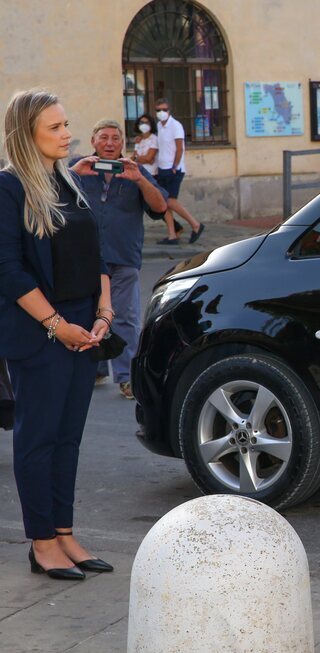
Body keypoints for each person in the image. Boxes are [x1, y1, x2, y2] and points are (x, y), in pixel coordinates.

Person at [0, 89, 115, 580]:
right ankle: (41, 542)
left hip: (84, 326)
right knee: (38, 439)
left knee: (68, 439)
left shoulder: (67, 181)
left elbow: (97, 253)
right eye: (56, 127)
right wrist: (56, 325)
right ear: (27, 134)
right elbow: (7, 269)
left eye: (66, 124)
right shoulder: (8, 187)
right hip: (40, 330)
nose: (68, 134)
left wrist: (104, 315)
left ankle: (65, 535)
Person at [70, 119, 168, 399]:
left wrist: (138, 178)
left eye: (115, 138)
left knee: (124, 317)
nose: (110, 143)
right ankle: (96, 368)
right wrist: (74, 173)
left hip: (123, 257)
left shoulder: (134, 170)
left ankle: (126, 377)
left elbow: (160, 205)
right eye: (104, 138)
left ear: (122, 143)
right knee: (88, 315)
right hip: (85, 260)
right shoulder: (78, 168)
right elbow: (51, 197)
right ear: (93, 141)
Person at [154, 97, 203, 245]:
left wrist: (175, 166)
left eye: (164, 109)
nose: (161, 112)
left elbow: (180, 147)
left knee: (170, 201)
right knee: (163, 203)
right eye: (158, 110)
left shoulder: (176, 126)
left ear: (169, 110)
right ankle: (172, 235)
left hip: (174, 169)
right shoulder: (159, 126)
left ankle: (195, 224)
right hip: (162, 168)